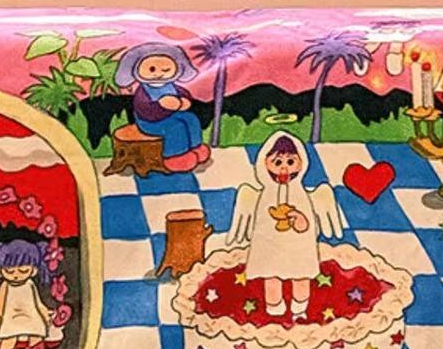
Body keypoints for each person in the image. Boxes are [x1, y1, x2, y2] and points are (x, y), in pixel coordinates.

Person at [226, 130, 345, 318]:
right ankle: (274, 308)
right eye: (277, 162)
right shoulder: (264, 195)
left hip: (298, 248)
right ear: (264, 162)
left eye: (290, 162)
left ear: (301, 162)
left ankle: (300, 308)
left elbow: (307, 227)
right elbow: (261, 225)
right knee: (271, 276)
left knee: (301, 276)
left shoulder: (301, 195)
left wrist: (299, 218)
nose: (284, 168)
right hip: (270, 247)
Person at [115, 41, 210, 171]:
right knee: (176, 128)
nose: (159, 74)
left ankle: (196, 147)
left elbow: (184, 94)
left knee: (191, 119)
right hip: (150, 123)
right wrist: (161, 106)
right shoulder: (143, 92)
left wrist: (183, 102)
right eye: (152, 69)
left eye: (165, 70)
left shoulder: (171, 86)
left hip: (173, 115)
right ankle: (175, 156)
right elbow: (145, 111)